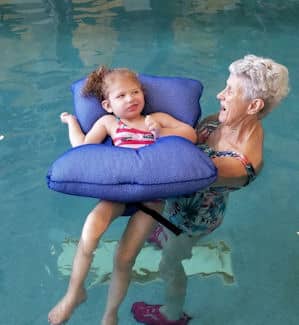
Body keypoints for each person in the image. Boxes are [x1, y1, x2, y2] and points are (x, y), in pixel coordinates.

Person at [131, 54, 289, 324]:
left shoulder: (240, 164)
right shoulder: (225, 120)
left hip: (196, 220)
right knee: (168, 228)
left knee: (168, 265)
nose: (220, 95)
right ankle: (167, 233)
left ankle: (171, 315)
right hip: (181, 205)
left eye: (230, 91)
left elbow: (177, 168)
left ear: (254, 105)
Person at [48, 65, 197, 325]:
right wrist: (72, 122)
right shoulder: (109, 123)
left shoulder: (157, 118)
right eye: (121, 96)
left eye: (135, 92)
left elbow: (190, 134)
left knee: (125, 257)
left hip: (151, 200)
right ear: (107, 105)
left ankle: (110, 312)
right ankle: (74, 293)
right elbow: (82, 149)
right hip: (116, 193)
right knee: (89, 232)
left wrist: (161, 131)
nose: (131, 99)